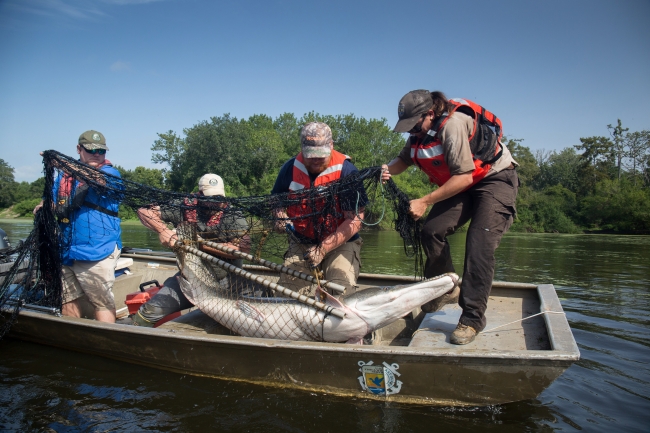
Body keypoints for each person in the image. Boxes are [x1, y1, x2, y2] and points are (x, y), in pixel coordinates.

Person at [382, 90, 519, 345]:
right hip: (464, 182)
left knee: (479, 244)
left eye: (414, 125)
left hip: (494, 179)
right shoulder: (419, 133)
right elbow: (403, 160)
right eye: (407, 127)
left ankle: (472, 319)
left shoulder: (452, 125)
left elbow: (464, 177)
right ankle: (447, 288)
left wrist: (424, 201)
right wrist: (384, 169)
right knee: (431, 231)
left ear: (430, 114)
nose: (411, 131)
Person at [133, 173, 250, 327]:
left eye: (218, 197)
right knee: (148, 313)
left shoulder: (232, 214)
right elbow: (144, 211)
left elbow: (243, 249)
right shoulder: (186, 207)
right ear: (200, 194)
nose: (216, 202)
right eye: (210, 198)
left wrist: (199, 245)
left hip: (228, 281)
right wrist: (163, 231)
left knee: (249, 315)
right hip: (190, 278)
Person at [33, 130, 122, 323]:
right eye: (91, 150)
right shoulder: (64, 177)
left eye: (101, 150)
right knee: (67, 299)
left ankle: (105, 338)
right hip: (66, 250)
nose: (97, 154)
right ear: (79, 149)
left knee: (102, 302)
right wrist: (43, 207)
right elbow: (52, 201)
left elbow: (97, 180)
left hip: (97, 250)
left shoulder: (110, 172)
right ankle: (72, 336)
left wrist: (63, 163)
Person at [271, 122, 367, 296]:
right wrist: (279, 215)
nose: (315, 160)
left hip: (341, 242)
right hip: (301, 241)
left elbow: (355, 220)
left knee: (340, 292)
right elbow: (275, 199)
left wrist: (323, 248)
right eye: (310, 155)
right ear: (302, 148)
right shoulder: (289, 168)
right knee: (286, 294)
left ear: (331, 146)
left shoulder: (347, 171)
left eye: (320, 155)